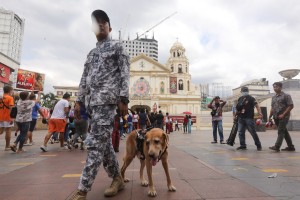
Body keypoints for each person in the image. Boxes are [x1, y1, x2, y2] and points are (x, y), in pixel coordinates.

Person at [67, 10, 130, 199]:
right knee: (104, 145)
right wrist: (79, 100)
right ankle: (117, 178)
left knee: (95, 145)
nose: (101, 24)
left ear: (109, 27)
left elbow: (125, 73)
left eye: (104, 22)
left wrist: (124, 98)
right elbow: (84, 78)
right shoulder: (91, 53)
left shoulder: (118, 48)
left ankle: (82, 190)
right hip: (93, 105)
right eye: (97, 22)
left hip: (108, 102)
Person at [269, 82, 295, 152]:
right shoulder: (273, 97)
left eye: (276, 87)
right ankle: (291, 147)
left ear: (281, 87)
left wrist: (283, 114)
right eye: (274, 87)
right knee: (284, 131)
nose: (275, 88)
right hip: (276, 116)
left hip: (284, 116)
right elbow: (272, 108)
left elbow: (291, 105)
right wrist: (270, 117)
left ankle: (277, 146)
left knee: (280, 131)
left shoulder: (286, 96)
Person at [236, 86, 262, 151]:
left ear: (248, 91)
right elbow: (238, 108)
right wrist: (236, 115)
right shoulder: (240, 98)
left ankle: (258, 145)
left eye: (245, 90)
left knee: (252, 132)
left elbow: (257, 105)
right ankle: (243, 145)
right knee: (241, 132)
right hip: (241, 117)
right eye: (243, 91)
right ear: (241, 92)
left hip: (249, 118)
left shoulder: (251, 98)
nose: (244, 92)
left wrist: (260, 113)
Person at [0, 85, 14, 151]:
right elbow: (11, 107)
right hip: (7, 117)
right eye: (12, 90)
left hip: (0, 116)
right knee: (8, 131)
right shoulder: (10, 98)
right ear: (9, 91)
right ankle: (7, 146)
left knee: (1, 131)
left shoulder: (1, 97)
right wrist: (11, 117)